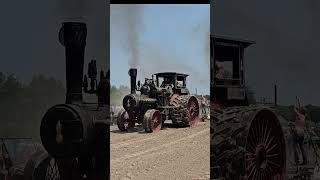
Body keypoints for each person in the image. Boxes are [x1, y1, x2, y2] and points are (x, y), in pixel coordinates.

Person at [292, 96, 308, 165]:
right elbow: (300, 107)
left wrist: (294, 104)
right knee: (301, 147)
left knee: (295, 146)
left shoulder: (299, 115)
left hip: (297, 133)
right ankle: (305, 161)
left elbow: (294, 109)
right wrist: (298, 100)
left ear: (301, 111)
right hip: (302, 133)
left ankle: (297, 160)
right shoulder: (303, 117)